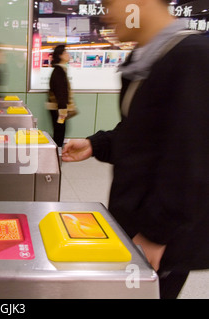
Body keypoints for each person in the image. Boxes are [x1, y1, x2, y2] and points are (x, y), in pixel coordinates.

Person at [62, 0, 209, 299]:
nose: (106, 15)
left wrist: (156, 235)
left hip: (162, 240)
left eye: (109, 4)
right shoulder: (146, 60)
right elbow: (144, 135)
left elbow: (192, 158)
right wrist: (95, 144)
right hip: (137, 227)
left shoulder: (191, 57)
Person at [46, 44, 71, 147]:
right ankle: (57, 155)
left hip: (57, 107)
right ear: (60, 55)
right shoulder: (59, 71)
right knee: (59, 132)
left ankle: (57, 153)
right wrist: (62, 109)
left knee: (59, 131)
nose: (68, 55)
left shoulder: (59, 70)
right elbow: (60, 92)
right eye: (66, 52)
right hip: (58, 108)